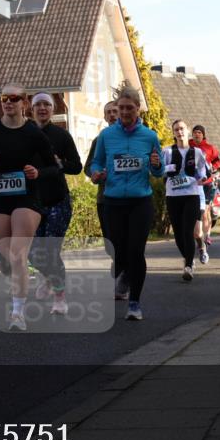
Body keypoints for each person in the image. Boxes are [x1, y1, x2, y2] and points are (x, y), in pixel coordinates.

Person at [0, 86, 58, 330]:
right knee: (3, 256)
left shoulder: (34, 133)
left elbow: (53, 168)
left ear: (24, 103)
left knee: (18, 253)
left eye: (13, 98)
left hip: (28, 197)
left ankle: (18, 312)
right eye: (3, 98)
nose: (7, 102)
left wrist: (38, 172)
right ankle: (20, 277)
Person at [89, 85, 164, 320]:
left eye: (129, 108)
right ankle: (124, 275)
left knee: (135, 250)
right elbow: (96, 162)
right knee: (118, 250)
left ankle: (134, 304)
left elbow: (159, 170)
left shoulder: (149, 136)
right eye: (120, 108)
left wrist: (155, 163)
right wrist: (96, 173)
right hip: (113, 201)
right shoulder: (107, 136)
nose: (124, 112)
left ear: (138, 109)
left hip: (140, 201)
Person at [28, 92, 82, 314]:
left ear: (53, 109)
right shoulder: (25, 135)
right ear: (31, 109)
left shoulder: (61, 136)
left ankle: (60, 297)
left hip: (57, 200)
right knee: (31, 252)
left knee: (50, 250)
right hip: (31, 202)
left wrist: (61, 164)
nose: (42, 108)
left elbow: (76, 166)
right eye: (38, 104)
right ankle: (47, 276)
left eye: (47, 105)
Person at [83, 101, 126, 297]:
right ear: (104, 116)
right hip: (105, 198)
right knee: (110, 241)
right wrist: (96, 173)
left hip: (128, 197)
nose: (112, 115)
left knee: (124, 240)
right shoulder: (99, 139)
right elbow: (88, 166)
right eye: (108, 112)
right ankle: (122, 268)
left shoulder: (130, 138)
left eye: (114, 111)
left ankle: (123, 276)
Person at [163, 120, 209, 281]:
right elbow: (158, 170)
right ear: (173, 133)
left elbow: (203, 171)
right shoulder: (167, 151)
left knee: (188, 231)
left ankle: (188, 265)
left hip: (192, 195)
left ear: (187, 131)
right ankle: (189, 258)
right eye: (176, 129)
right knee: (178, 234)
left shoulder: (196, 152)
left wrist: (201, 177)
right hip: (173, 196)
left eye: (182, 128)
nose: (179, 132)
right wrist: (170, 168)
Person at [189, 125, 220, 253]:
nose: (197, 135)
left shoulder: (210, 148)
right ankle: (197, 234)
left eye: (199, 133)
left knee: (206, 210)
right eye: (194, 133)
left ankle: (207, 235)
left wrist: (213, 169)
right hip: (192, 183)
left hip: (207, 182)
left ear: (203, 135)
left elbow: (217, 161)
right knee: (195, 211)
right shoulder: (188, 146)